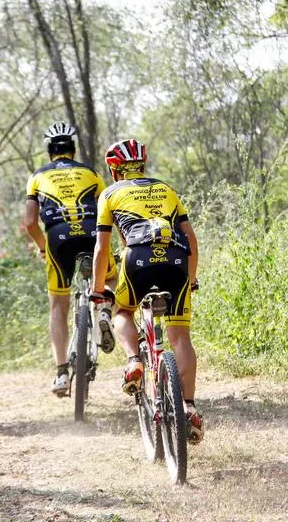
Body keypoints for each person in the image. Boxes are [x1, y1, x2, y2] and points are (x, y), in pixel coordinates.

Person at [90, 138, 203, 444]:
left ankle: (133, 362)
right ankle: (189, 408)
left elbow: (102, 249)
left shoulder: (110, 194)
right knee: (180, 337)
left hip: (136, 258)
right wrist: (191, 281)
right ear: (143, 165)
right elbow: (191, 240)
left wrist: (99, 290)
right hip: (176, 259)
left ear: (115, 169)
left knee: (124, 311)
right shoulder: (166, 189)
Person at [23, 122, 117, 396]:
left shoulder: (37, 176)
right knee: (110, 277)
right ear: (73, 149)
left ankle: (62, 373)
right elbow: (107, 208)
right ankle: (103, 311)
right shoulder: (90, 173)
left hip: (57, 237)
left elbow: (29, 222)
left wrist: (43, 248)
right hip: (91, 232)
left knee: (58, 306)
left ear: (50, 150)